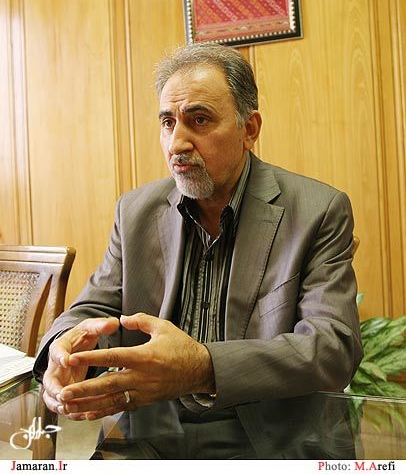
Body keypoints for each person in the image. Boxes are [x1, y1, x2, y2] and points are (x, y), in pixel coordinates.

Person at [34, 42, 362, 423]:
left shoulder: (317, 211)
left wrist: (203, 366)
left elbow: (332, 348)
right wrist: (64, 347)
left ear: (249, 129)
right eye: (167, 123)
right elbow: (94, 309)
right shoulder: (136, 212)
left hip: (265, 435)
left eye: (200, 120)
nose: (177, 143)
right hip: (153, 432)